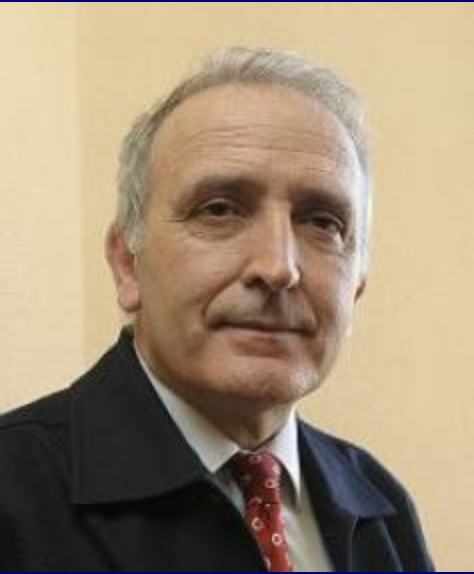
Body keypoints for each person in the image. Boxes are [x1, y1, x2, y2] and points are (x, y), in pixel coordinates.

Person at [0, 46, 434, 572]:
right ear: (127, 264)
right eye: (220, 209)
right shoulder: (13, 494)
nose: (278, 267)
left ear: (356, 286)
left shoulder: (383, 508)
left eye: (322, 222)